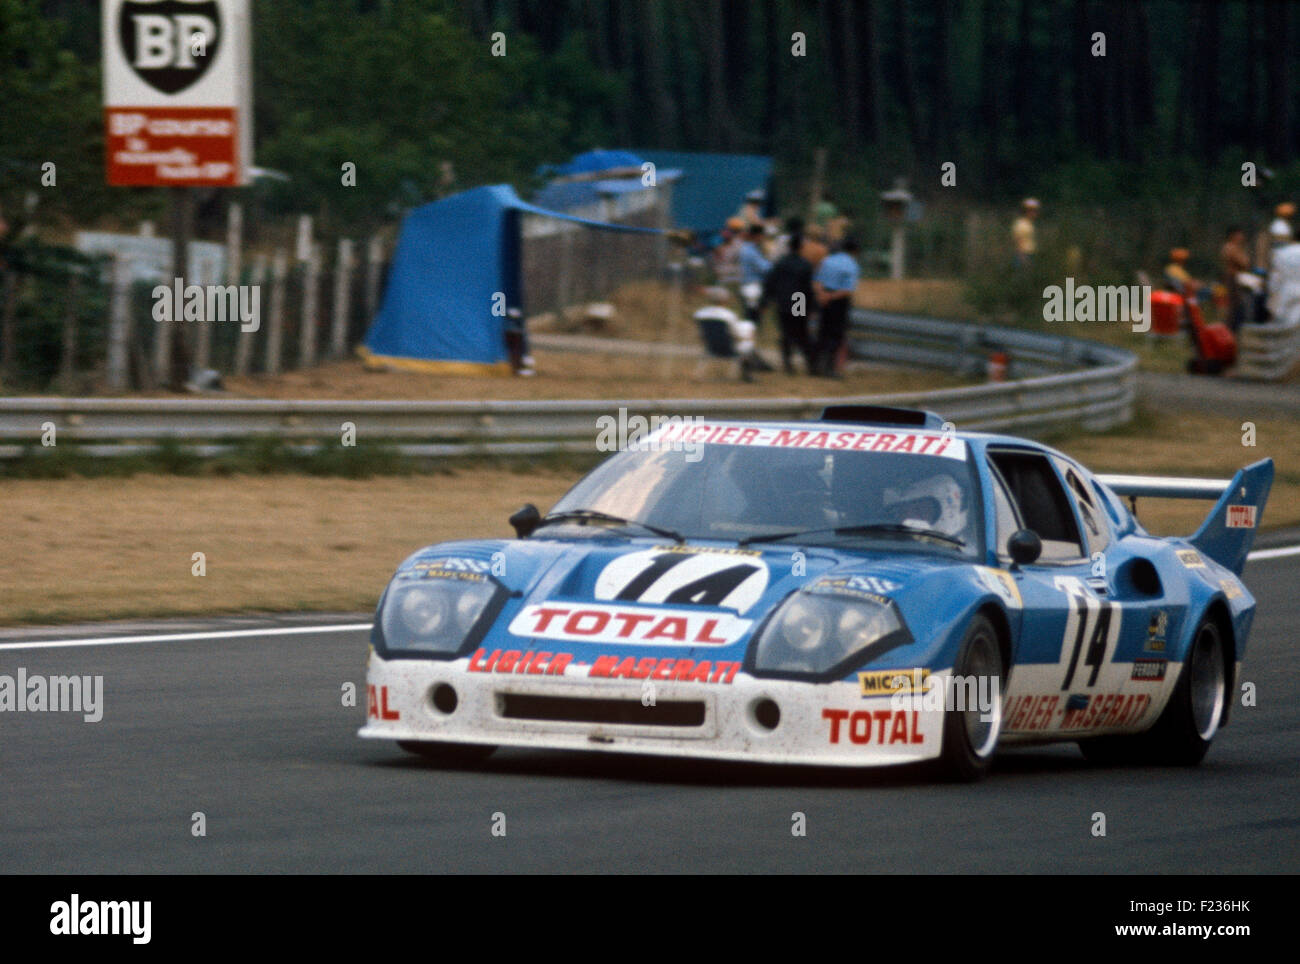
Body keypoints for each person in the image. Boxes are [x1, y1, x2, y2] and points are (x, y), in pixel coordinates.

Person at [762, 231, 815, 374]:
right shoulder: (805, 265)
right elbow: (808, 288)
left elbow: (770, 282)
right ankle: (810, 363)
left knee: (786, 332)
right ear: (801, 247)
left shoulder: (780, 263)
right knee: (801, 332)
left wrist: (765, 301)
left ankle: (788, 363)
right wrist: (812, 307)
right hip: (798, 299)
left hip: (783, 300)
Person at [812, 236, 860, 378]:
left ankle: (816, 365)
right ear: (855, 251)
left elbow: (817, 280)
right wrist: (831, 297)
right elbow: (847, 289)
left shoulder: (827, 260)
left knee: (822, 332)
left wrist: (822, 295)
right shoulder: (852, 264)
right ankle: (830, 368)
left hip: (823, 299)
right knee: (836, 335)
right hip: (839, 302)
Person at [694, 286, 761, 382]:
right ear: (724, 300)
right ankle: (747, 373)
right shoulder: (728, 315)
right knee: (748, 344)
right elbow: (737, 333)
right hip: (729, 348)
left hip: (710, 347)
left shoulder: (700, 313)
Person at [1219, 227, 1256, 332]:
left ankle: (1234, 328)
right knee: (1234, 305)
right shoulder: (1230, 247)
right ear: (1233, 235)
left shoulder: (1236, 247)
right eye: (1239, 235)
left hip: (1237, 278)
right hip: (1233, 278)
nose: (1241, 237)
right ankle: (1230, 329)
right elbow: (1244, 262)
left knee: (1237, 304)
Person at [738, 224, 771, 323]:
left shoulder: (746, 248)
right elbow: (765, 268)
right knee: (753, 318)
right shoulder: (751, 251)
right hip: (753, 286)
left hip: (748, 285)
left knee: (751, 315)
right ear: (758, 235)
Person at [1011, 198, 1039, 266]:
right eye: (1032, 211)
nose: (1035, 213)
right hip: (1023, 255)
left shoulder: (1029, 223)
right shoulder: (1021, 224)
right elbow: (1018, 240)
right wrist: (1022, 256)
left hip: (1030, 253)